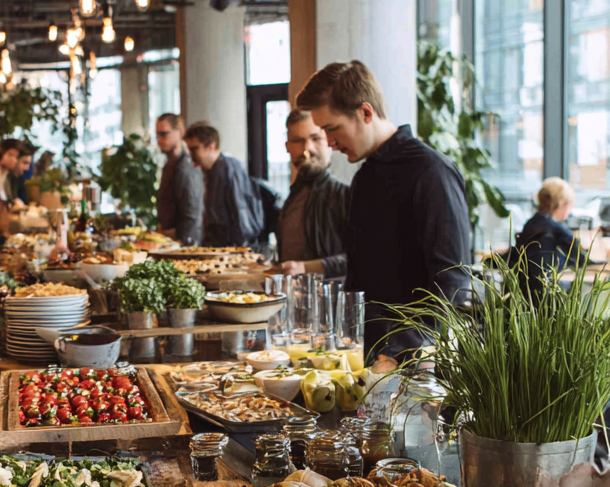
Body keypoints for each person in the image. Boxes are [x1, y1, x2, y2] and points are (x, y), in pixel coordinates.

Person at [295, 60, 471, 362]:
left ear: (365, 112)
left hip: (413, 362)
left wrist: (398, 352)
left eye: (332, 128)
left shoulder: (432, 171)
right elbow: (361, 275)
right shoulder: (364, 177)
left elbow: (453, 281)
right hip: (363, 355)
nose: (329, 142)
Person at [272, 110, 349, 278]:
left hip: (332, 301)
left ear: (330, 142)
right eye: (298, 141)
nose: (307, 148)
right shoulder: (292, 197)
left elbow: (364, 258)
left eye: (315, 138)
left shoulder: (346, 196)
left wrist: (307, 267)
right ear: (288, 147)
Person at [183, 122, 263, 247]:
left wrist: (239, 252)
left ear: (211, 146)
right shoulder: (212, 171)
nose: (191, 155)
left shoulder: (228, 168)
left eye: (195, 149)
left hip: (232, 249)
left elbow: (240, 213)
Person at [511, 177, 579, 296]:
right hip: (546, 296)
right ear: (563, 204)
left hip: (523, 293)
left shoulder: (531, 223)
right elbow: (580, 259)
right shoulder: (557, 230)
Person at [155, 112, 203, 245]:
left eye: (164, 134)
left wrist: (183, 244)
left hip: (182, 243)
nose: (159, 140)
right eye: (157, 135)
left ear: (180, 132)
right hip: (171, 240)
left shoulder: (186, 166)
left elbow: (192, 213)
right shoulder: (171, 164)